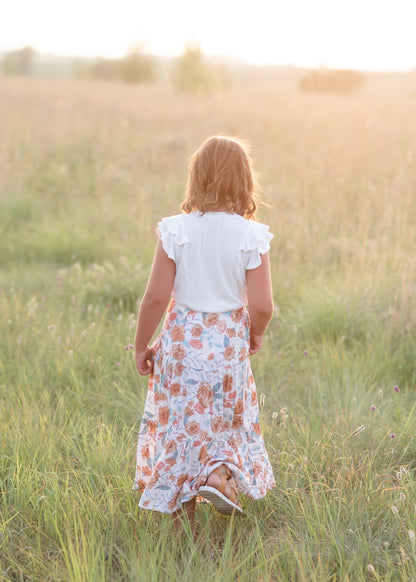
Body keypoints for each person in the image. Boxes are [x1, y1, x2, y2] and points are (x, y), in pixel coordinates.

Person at [133, 135, 276, 537]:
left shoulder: (176, 230)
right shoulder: (251, 235)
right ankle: (216, 475)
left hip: (182, 344)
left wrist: (144, 344)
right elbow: (263, 305)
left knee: (183, 426)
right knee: (225, 422)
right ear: (245, 181)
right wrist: (256, 333)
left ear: (196, 177)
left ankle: (184, 527)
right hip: (228, 343)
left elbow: (156, 297)